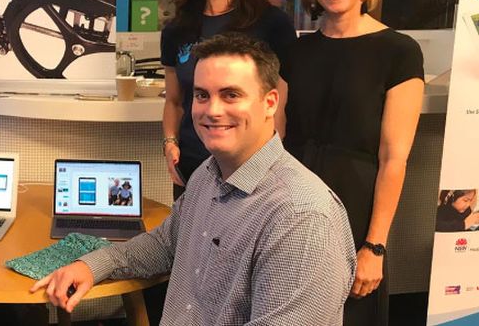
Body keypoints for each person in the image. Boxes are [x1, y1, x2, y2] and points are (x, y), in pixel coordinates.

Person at [33, 33, 356, 325]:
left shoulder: (301, 217)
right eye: (202, 95)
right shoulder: (207, 174)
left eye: (231, 95)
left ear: (270, 103)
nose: (212, 110)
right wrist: (92, 265)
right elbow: (165, 244)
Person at [282, 0, 425, 326]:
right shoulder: (296, 51)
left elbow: (394, 158)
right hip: (295, 206)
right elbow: (276, 138)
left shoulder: (399, 51)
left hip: (356, 213)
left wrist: (374, 247)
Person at [161, 0, 296, 200]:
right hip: (191, 169)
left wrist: (267, 169)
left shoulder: (272, 23)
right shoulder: (177, 29)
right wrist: (170, 143)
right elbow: (174, 101)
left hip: (250, 172)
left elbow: (279, 108)